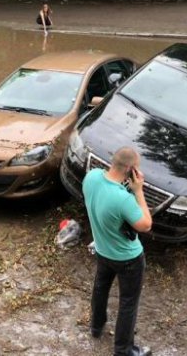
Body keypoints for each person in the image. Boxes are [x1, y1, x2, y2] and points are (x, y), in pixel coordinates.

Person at [82, 147, 153, 356]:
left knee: (100, 287)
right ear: (131, 170)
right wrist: (138, 191)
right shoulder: (123, 199)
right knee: (128, 303)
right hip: (129, 259)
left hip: (103, 250)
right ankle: (124, 350)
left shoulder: (92, 177)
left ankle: (96, 326)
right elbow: (146, 224)